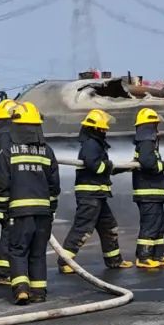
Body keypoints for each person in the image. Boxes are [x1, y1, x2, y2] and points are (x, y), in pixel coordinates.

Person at [0, 102, 60, 305]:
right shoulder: (47, 151)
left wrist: (1, 210)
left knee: (18, 251)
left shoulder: (9, 151)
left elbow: (3, 183)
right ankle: (39, 292)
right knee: (38, 253)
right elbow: (54, 185)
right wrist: (52, 208)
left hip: (19, 212)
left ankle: (21, 289)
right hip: (43, 212)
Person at [60, 108, 133, 273]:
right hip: (90, 196)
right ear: (95, 128)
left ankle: (114, 260)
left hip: (98, 194)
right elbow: (96, 166)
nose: (105, 131)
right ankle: (64, 262)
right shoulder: (91, 144)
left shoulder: (95, 143)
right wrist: (110, 165)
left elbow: (104, 168)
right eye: (103, 128)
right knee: (83, 229)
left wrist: (124, 167)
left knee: (108, 227)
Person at [131, 108, 164, 270]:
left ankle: (157, 255)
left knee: (159, 224)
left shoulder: (149, 143)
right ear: (149, 126)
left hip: (154, 193)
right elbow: (149, 164)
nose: (157, 129)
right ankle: (143, 257)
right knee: (150, 225)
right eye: (155, 125)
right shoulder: (146, 143)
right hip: (148, 193)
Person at [0, 98, 18, 285]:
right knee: (11, 229)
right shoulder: (7, 135)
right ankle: (3, 272)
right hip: (9, 190)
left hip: (2, 189)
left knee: (10, 229)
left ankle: (5, 270)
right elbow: (7, 165)